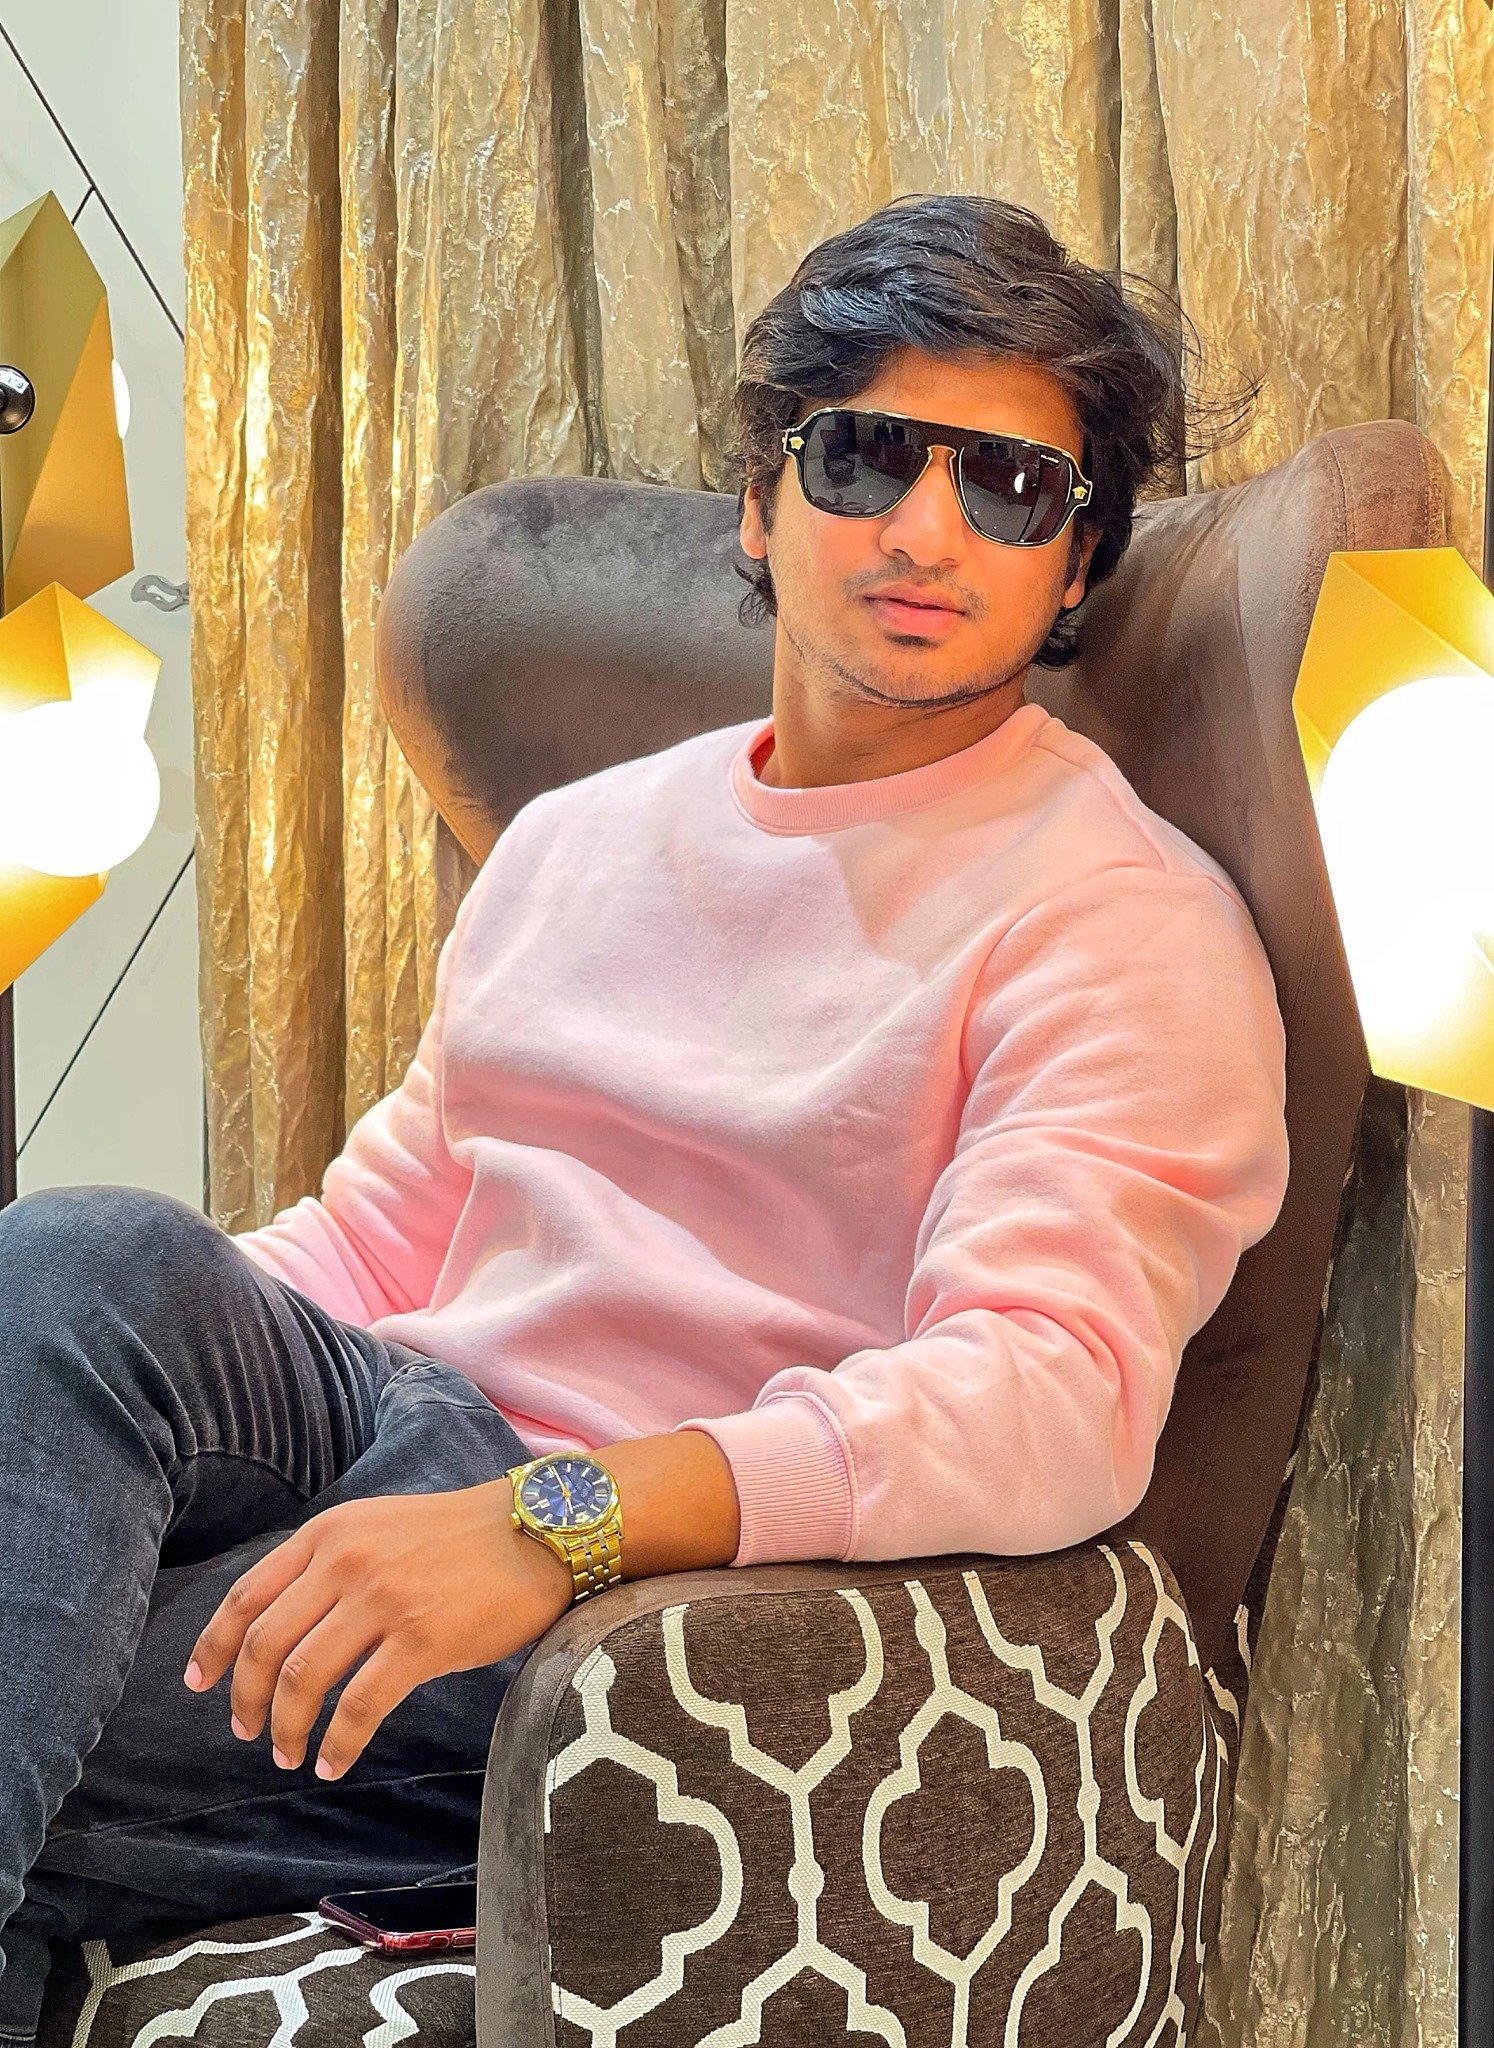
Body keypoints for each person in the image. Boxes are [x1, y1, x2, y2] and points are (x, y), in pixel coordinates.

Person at [0, 190, 1289, 2040]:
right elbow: (389, 1223)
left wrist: (553, 1522)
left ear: (1074, 560)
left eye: (1011, 488)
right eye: (867, 457)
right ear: (761, 502)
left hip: (644, 1609)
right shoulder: (582, 839)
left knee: (50, 1710)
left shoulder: (1121, 921)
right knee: (86, 1253)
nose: (928, 531)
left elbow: (1043, 1397)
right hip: (393, 1426)